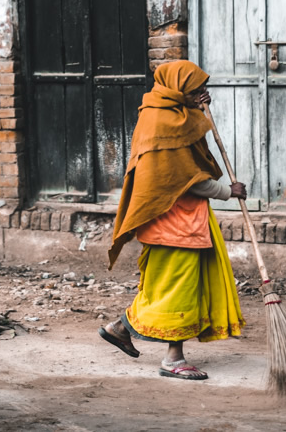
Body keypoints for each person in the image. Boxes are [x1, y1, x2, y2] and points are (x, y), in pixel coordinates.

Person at [99, 60, 247, 381]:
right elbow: (186, 178)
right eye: (196, 89)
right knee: (178, 291)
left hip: (172, 220)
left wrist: (199, 108)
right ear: (178, 88)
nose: (203, 93)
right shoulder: (164, 120)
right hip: (175, 223)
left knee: (163, 287)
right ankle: (173, 359)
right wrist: (227, 190)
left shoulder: (170, 113)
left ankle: (119, 328)